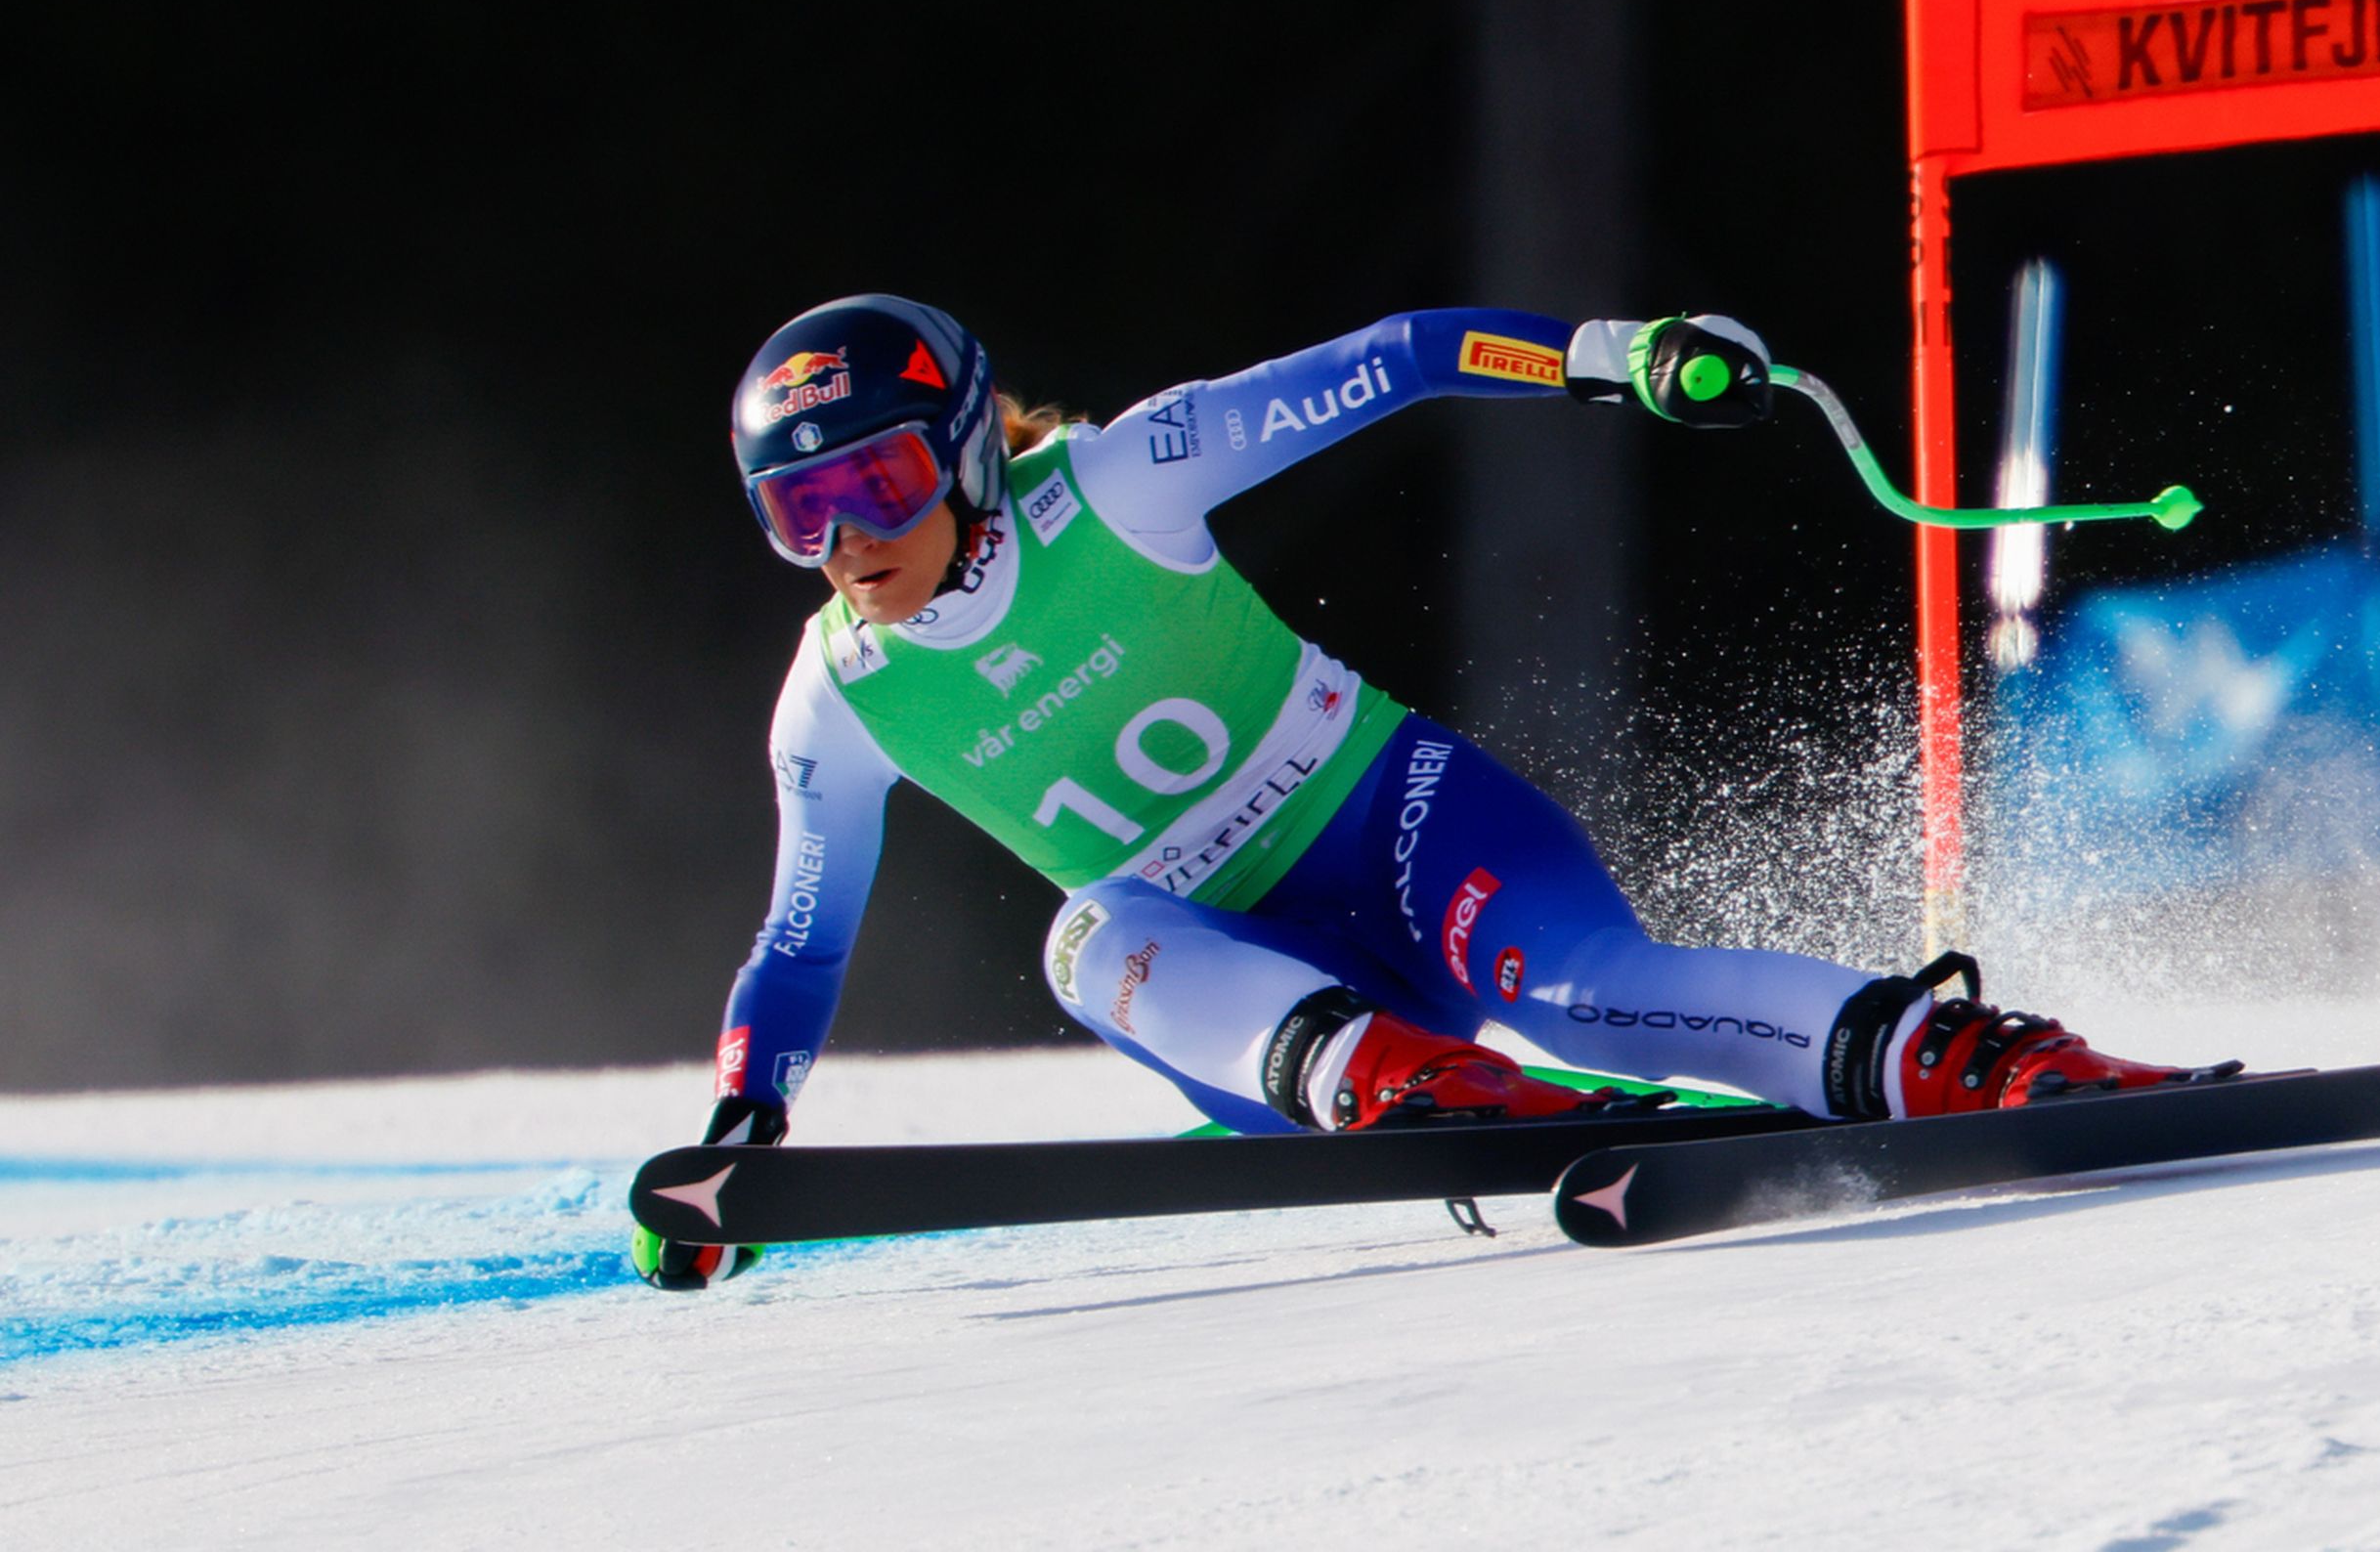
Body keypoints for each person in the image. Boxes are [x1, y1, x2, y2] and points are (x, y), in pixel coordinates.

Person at [635, 295, 2218, 1289]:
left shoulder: (1122, 481)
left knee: (1593, 992)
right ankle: (1405, 1089)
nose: (849, 540)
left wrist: (1612, 359)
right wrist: (745, 1123)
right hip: (1265, 999)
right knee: (1082, 939)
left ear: (971, 449)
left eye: (882, 483)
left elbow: (1399, 358)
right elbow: (798, 944)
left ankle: (1976, 1060)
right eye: (800, 512)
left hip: (1400, 829)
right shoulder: (837, 698)